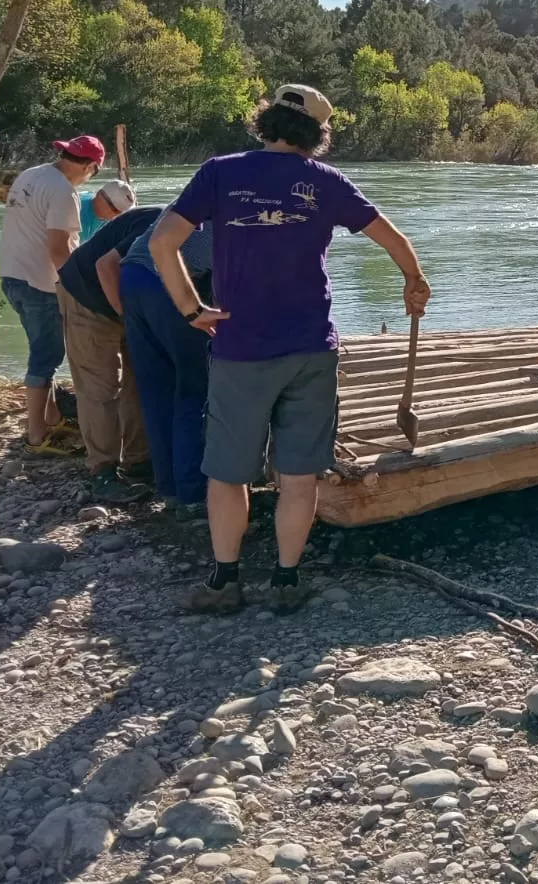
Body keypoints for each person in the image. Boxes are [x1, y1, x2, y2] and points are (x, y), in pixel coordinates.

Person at [149, 84, 430, 614]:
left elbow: (162, 242)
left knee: (229, 473)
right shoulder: (325, 182)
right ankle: (285, 582)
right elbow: (393, 238)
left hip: (240, 347)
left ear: (266, 121)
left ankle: (224, 581)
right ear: (317, 134)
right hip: (310, 348)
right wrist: (414, 280)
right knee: (299, 474)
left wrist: (192, 309)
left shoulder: (220, 171)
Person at [0, 134, 105, 450]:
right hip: (38, 282)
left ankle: (53, 417)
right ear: (91, 167)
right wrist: (81, 291)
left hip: (12, 275)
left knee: (38, 347)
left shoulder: (30, 175)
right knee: (46, 357)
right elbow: (60, 250)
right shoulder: (63, 193)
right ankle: (36, 436)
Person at [55, 203, 161, 502]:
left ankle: (139, 461)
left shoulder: (201, 233)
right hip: (86, 293)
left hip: (129, 300)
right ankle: (102, 470)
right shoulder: (161, 224)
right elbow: (105, 266)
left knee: (140, 381)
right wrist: (129, 319)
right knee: (100, 386)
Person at [120, 214, 216, 515]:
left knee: (156, 390)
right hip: (165, 281)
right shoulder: (243, 203)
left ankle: (169, 488)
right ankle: (192, 495)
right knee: (194, 388)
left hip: (133, 277)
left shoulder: (205, 187)